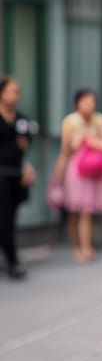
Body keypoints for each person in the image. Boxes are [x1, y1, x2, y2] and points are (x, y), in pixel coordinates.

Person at [49, 89, 102, 264]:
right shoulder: (71, 121)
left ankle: (85, 247)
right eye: (86, 101)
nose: (90, 105)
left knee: (85, 210)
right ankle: (79, 247)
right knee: (76, 210)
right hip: (77, 171)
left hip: (94, 170)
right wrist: (58, 173)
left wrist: (91, 141)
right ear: (77, 103)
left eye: (92, 101)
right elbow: (66, 150)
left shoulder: (101, 120)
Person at [0, 76, 36, 279]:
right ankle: (12, 259)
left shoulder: (22, 119)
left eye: (17, 91)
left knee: (10, 218)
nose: (15, 95)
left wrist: (28, 167)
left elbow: (25, 146)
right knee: (3, 218)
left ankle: (10, 255)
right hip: (0, 175)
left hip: (15, 175)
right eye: (12, 91)